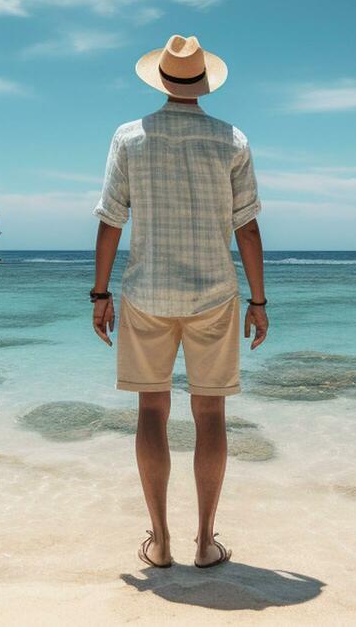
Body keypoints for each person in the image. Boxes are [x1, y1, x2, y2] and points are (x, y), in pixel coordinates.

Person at [90, 34, 267, 570]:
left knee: (151, 409)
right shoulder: (231, 139)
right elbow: (249, 228)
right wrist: (258, 301)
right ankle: (206, 543)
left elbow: (110, 220)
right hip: (214, 294)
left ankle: (161, 541)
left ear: (162, 80)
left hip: (147, 293)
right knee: (210, 412)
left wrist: (99, 293)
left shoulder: (129, 137)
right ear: (203, 82)